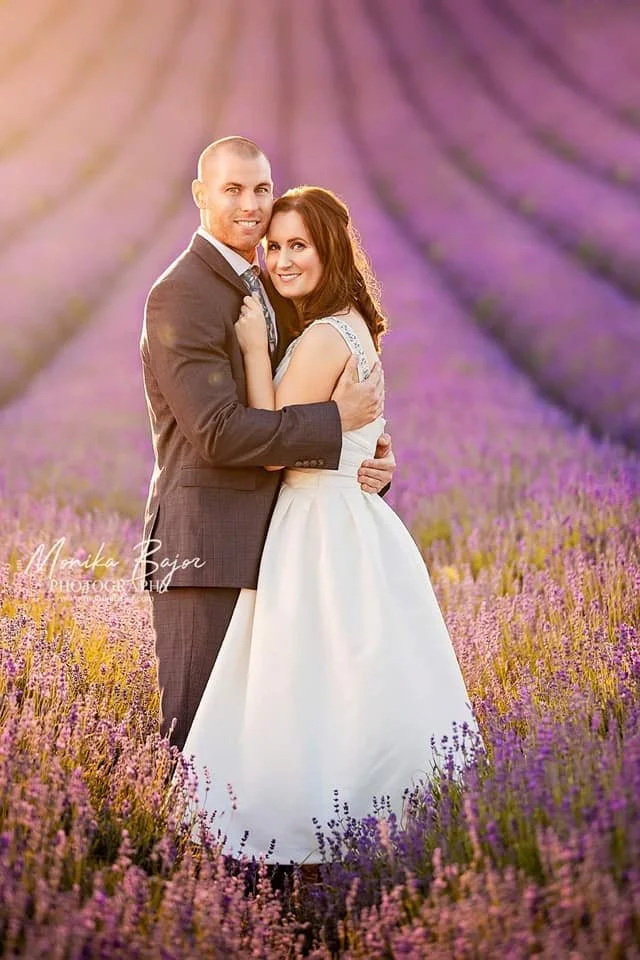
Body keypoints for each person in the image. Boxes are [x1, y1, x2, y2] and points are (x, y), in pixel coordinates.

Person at [181, 185, 479, 867]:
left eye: (298, 247)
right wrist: (378, 451)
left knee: (308, 682)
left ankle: (311, 833)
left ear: (330, 251)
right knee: (355, 682)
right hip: (354, 519)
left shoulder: (319, 335)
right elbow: (351, 430)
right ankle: (379, 830)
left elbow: (276, 435)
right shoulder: (353, 325)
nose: (282, 260)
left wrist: (256, 348)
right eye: (276, 246)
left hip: (317, 524)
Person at [139, 137, 396, 757]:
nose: (252, 205)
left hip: (275, 547)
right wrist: (335, 426)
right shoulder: (184, 294)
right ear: (201, 196)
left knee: (264, 743)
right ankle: (187, 860)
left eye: (261, 188)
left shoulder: (265, 290)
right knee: (200, 739)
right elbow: (220, 431)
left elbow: (289, 399)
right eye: (233, 189)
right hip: (206, 549)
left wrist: (364, 457)